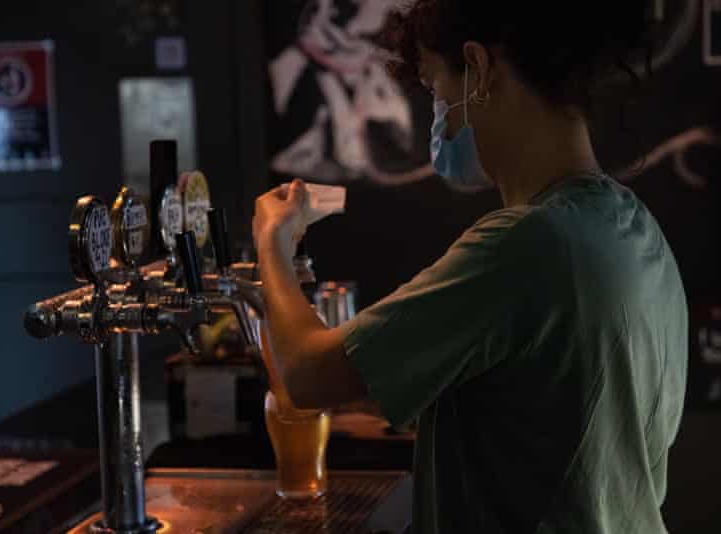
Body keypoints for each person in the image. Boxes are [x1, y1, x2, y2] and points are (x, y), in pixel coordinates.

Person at [252, 1, 688, 532]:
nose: (442, 118)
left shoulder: (528, 244)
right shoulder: (631, 227)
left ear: (478, 71)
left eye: (438, 91)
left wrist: (272, 242)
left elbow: (307, 374)